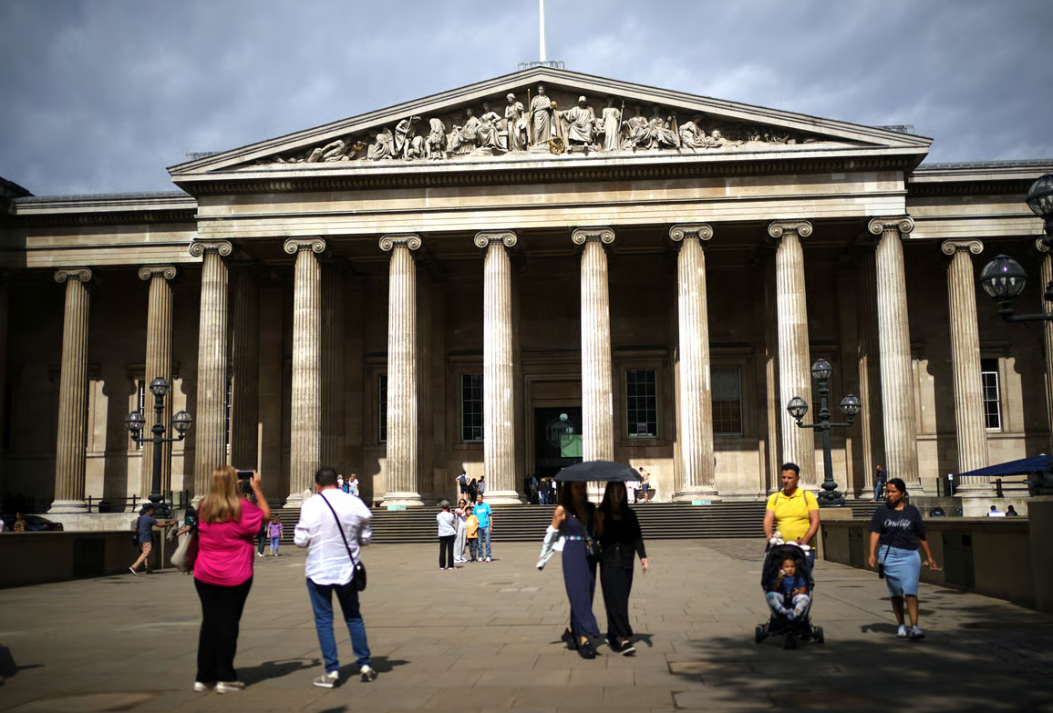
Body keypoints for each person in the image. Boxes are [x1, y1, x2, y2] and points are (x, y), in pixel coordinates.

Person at [294, 467, 377, 687]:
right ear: (337, 482)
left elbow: (300, 540)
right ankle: (365, 665)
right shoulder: (353, 503)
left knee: (324, 621)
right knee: (353, 617)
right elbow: (366, 538)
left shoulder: (311, 504)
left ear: (317, 484)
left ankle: (332, 672)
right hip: (346, 569)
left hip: (318, 570)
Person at [193, 466, 269, 693]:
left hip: (204, 574)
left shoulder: (204, 507)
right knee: (228, 625)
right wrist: (257, 489)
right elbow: (265, 517)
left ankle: (203, 676)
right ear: (233, 484)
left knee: (209, 624)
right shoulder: (242, 508)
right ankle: (225, 676)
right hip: (235, 575)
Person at [868, 478, 940, 641]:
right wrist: (872, 553)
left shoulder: (912, 512)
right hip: (889, 554)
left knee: (910, 591)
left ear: (902, 494)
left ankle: (914, 626)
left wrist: (929, 556)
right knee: (896, 593)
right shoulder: (881, 511)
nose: (889, 495)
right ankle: (901, 624)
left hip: (909, 554)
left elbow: (922, 536)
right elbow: (875, 532)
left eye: (893, 492)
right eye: (888, 491)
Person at [537, 480, 601, 659]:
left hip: (588, 553)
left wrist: (599, 521)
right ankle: (584, 638)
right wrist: (543, 558)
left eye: (582, 487)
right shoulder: (561, 510)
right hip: (572, 554)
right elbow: (551, 534)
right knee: (578, 593)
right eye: (576, 487)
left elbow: (596, 531)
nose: (580, 490)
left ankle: (571, 630)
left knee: (586, 593)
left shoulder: (591, 508)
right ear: (569, 490)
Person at [596, 481, 648, 655]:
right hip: (608, 561)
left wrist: (643, 557)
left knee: (621, 599)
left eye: (619, 491)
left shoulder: (630, 514)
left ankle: (612, 634)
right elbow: (598, 536)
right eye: (613, 491)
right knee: (613, 599)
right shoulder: (601, 513)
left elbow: (637, 536)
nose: (616, 494)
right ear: (608, 493)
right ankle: (625, 638)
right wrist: (600, 522)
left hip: (626, 561)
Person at [763, 463, 820, 565]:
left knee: (803, 580)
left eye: (789, 478)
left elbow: (815, 521)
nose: (785, 481)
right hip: (782, 549)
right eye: (783, 477)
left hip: (803, 549)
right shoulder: (775, 498)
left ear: (797, 480)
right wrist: (769, 535)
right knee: (782, 579)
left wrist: (806, 539)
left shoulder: (807, 497)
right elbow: (768, 520)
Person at [130, 504, 174, 575]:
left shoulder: (140, 518)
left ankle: (148, 568)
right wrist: (170, 524)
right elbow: (160, 525)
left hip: (140, 537)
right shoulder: (150, 518)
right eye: (153, 510)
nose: (154, 512)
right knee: (146, 553)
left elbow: (136, 528)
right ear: (150, 511)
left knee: (147, 553)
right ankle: (134, 566)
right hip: (147, 537)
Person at [437, 501, 456, 570]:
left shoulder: (438, 516)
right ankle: (450, 565)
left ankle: (442, 566)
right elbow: (453, 523)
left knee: (442, 550)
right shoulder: (451, 515)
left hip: (442, 533)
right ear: (448, 507)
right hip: (450, 533)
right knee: (450, 550)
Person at [474, 493, 493, 562]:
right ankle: (480, 556)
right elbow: (474, 517)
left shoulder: (486, 506)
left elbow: (490, 515)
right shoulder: (476, 507)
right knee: (479, 543)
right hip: (478, 527)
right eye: (477, 497)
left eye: (479, 497)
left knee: (487, 542)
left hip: (486, 526)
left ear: (482, 498)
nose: (478, 498)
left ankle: (488, 556)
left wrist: (491, 525)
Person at [453, 499, 469, 563]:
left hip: (465, 526)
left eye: (463, 503)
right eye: (460, 503)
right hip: (459, 526)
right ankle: (457, 557)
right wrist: (465, 506)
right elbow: (461, 513)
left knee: (463, 542)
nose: (461, 504)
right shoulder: (457, 510)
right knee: (458, 542)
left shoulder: (465, 510)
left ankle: (462, 556)